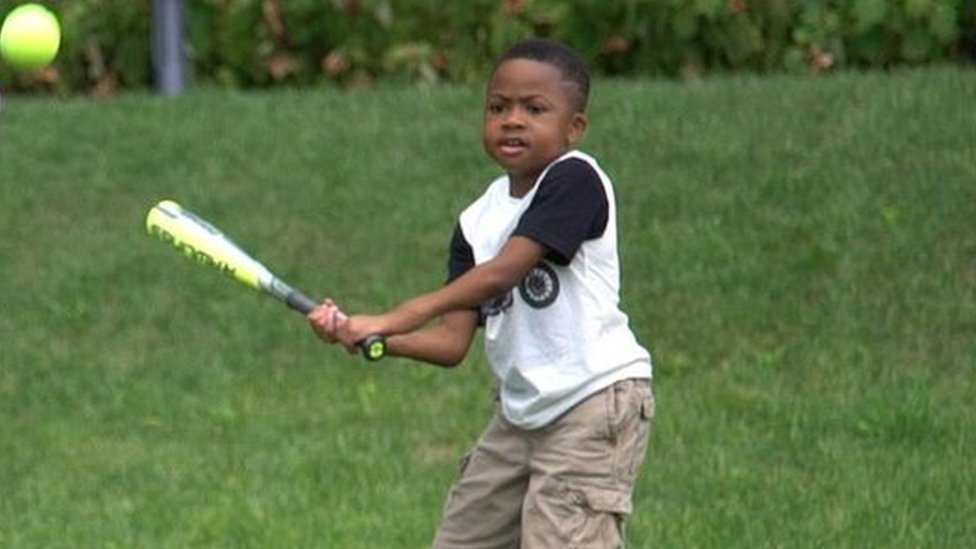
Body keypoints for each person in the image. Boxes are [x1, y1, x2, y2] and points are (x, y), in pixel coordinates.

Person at [307, 38, 654, 548]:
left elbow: (502, 274)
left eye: (535, 109)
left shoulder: (576, 180)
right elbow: (451, 344)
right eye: (498, 107)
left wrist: (395, 316)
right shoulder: (476, 221)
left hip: (591, 402)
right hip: (521, 415)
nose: (513, 120)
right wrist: (367, 336)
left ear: (573, 128)